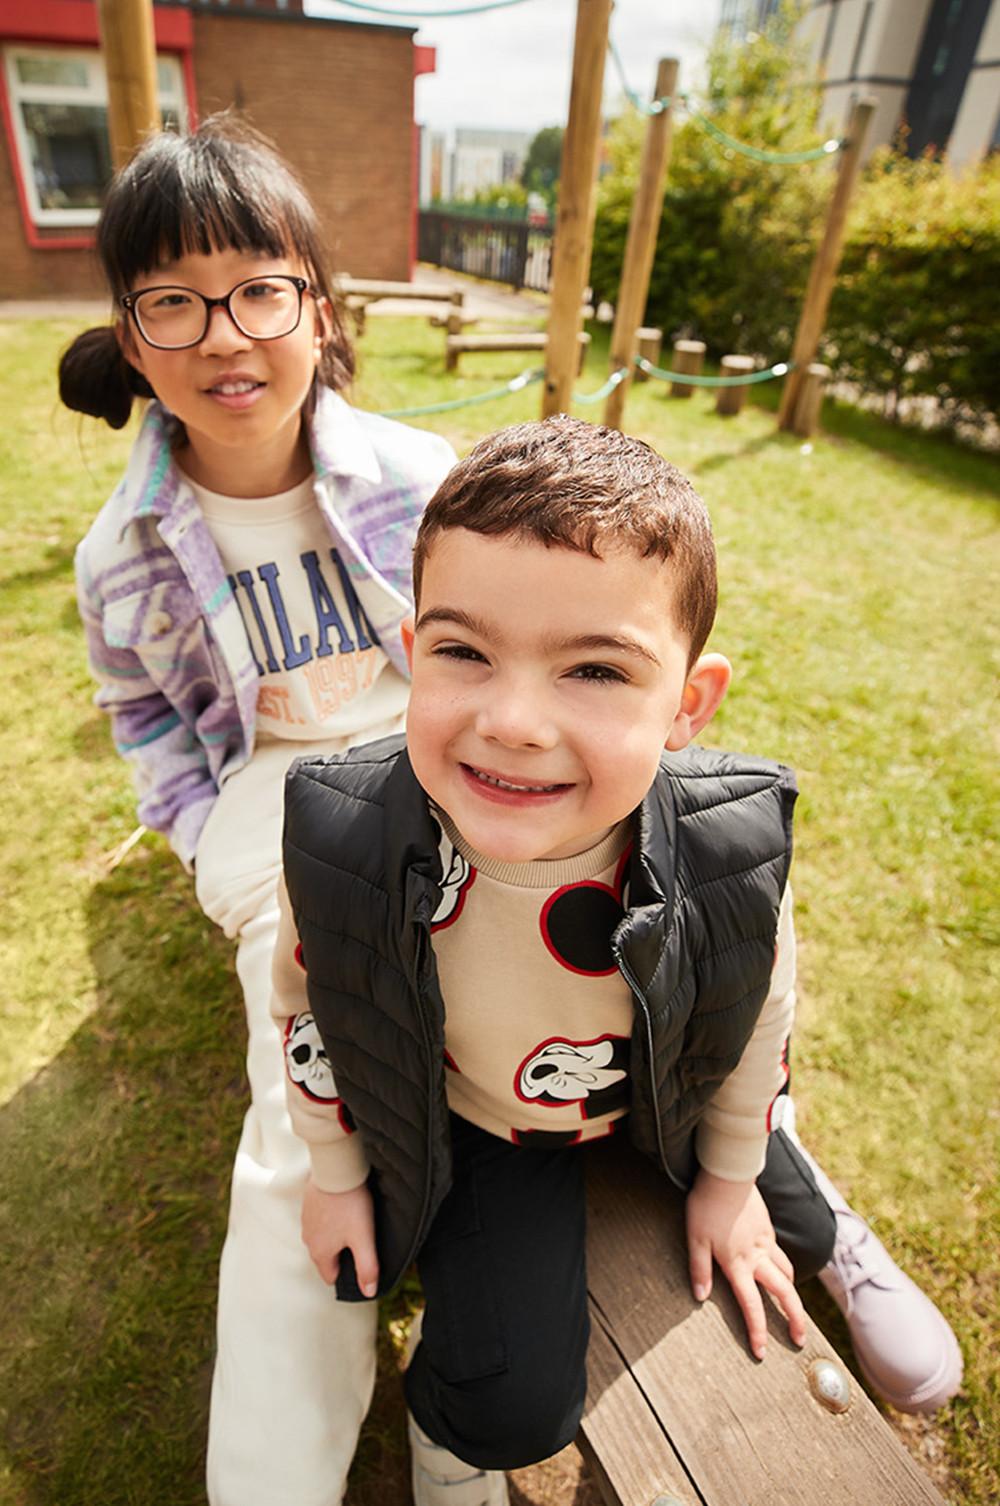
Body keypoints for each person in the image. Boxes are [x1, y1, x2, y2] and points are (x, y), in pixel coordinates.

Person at [273, 418, 963, 1506]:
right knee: (509, 1400)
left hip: (671, 1085)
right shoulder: (346, 838)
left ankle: (827, 1228)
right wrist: (332, 1170)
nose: (511, 721)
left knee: (776, 1206)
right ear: (412, 653)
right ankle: (454, 1456)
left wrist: (732, 1178)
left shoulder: (725, 849)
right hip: (493, 1123)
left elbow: (751, 1018)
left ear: (686, 704)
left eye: (595, 669)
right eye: (463, 651)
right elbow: (316, 1012)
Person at [62, 115, 456, 1506]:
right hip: (274, 800)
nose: (223, 334)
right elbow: (149, 724)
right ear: (130, 330)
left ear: (317, 307)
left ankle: (792, 1202)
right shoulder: (122, 555)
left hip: (440, 750)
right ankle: (271, 1476)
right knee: (308, 1053)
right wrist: (207, 844)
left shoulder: (425, 479)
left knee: (601, 932)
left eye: (258, 288)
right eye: (172, 298)